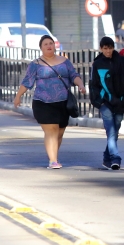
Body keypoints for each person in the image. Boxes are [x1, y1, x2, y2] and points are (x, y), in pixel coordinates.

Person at [13, 35, 87, 169]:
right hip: (43, 102)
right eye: (45, 44)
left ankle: (53, 156)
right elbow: (27, 82)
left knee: (59, 133)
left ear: (54, 45)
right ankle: (53, 161)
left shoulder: (64, 61)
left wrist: (81, 85)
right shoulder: (35, 64)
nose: (49, 46)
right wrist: (18, 96)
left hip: (63, 103)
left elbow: (74, 75)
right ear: (41, 48)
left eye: (51, 43)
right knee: (51, 131)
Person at [90, 37, 124, 170]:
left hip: (120, 101)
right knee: (110, 131)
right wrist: (97, 101)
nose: (108, 51)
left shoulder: (121, 61)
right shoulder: (97, 64)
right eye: (105, 48)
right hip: (105, 102)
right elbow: (93, 84)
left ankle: (106, 158)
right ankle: (115, 158)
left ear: (113, 48)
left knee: (115, 130)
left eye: (110, 48)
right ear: (101, 49)